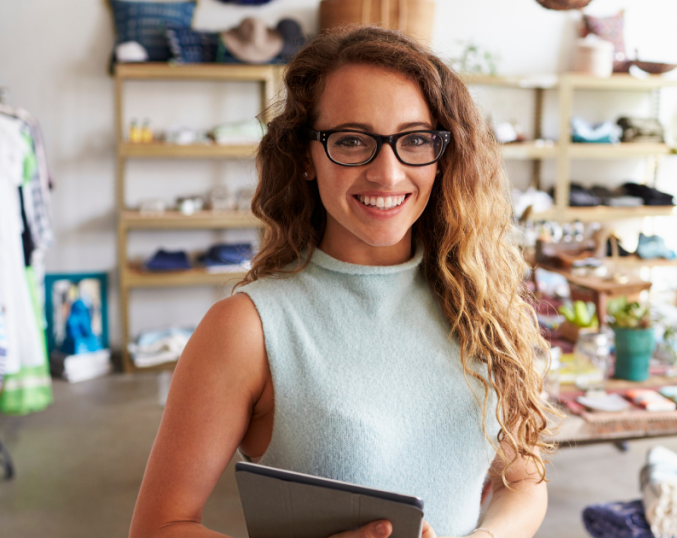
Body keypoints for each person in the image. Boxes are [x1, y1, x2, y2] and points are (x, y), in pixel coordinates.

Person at [130, 26, 556, 538]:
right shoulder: (249, 328)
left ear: (445, 156)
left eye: (415, 139)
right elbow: (160, 526)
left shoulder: (479, 304)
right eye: (352, 141)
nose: (388, 173)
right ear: (306, 156)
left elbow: (523, 481)